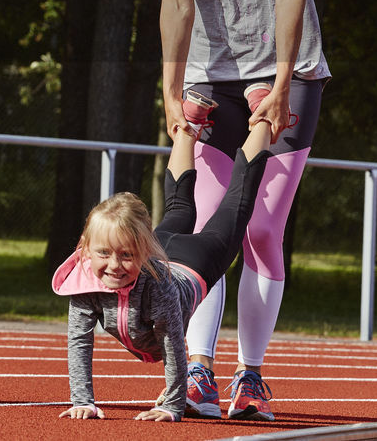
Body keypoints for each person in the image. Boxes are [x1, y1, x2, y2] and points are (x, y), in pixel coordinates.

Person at [151, 0, 330, 421]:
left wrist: (282, 79)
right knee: (202, 229)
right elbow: (175, 1)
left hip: (290, 71)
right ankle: (197, 370)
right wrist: (172, 90)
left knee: (258, 228)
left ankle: (250, 377)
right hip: (207, 78)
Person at [54, 92, 272, 422]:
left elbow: (172, 346)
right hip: (162, 245)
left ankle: (264, 118)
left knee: (235, 206)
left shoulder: (159, 290)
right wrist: (83, 400)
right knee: (179, 207)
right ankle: (188, 127)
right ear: (84, 248)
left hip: (194, 262)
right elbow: (79, 343)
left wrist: (172, 404)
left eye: (126, 255)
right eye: (103, 253)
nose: (114, 265)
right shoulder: (84, 283)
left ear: (143, 249)